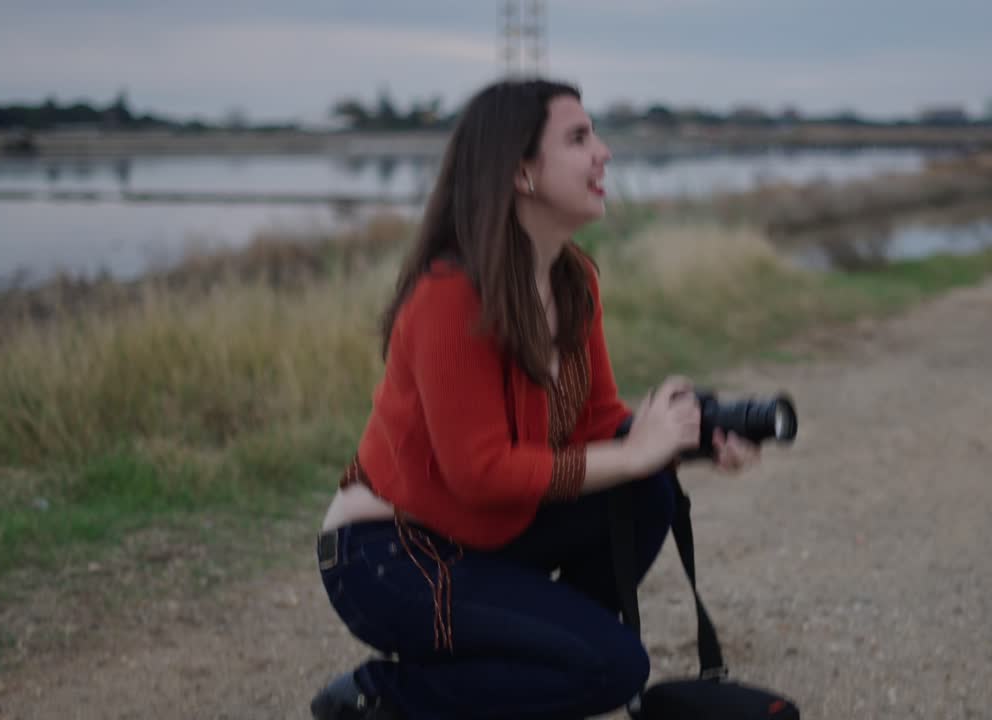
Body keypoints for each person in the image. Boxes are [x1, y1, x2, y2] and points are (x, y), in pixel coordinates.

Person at [310, 78, 760, 720]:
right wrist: (636, 454)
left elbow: (602, 422)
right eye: (579, 138)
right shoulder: (450, 294)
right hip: (389, 558)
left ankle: (541, 654)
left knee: (648, 490)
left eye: (596, 135)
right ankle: (376, 699)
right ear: (521, 172)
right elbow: (480, 471)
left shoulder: (574, 279)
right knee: (613, 664)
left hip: (480, 538)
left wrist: (690, 437)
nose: (603, 153)